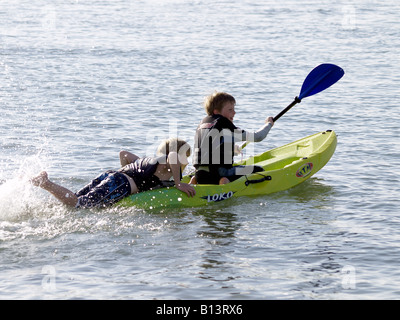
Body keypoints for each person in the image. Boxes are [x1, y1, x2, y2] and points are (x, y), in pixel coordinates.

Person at [30, 138, 196, 208]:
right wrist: (178, 183)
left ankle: (45, 200)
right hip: (119, 184)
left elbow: (124, 154)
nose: (187, 162)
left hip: (111, 176)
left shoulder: (149, 162)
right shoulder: (168, 164)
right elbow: (173, 156)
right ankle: (45, 183)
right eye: (186, 157)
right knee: (78, 205)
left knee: (74, 198)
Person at [191, 91, 274, 185]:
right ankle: (224, 182)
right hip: (218, 173)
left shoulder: (203, 124)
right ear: (216, 111)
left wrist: (232, 149)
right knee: (258, 170)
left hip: (200, 173)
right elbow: (258, 137)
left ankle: (195, 180)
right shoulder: (223, 122)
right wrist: (268, 124)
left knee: (207, 171)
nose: (234, 113)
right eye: (230, 110)